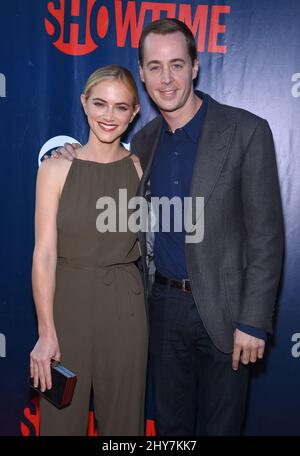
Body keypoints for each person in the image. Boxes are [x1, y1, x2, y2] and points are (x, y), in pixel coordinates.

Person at [56, 19, 284, 436]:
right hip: (159, 310)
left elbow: (266, 236)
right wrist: (70, 154)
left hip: (227, 313)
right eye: (155, 66)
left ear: (195, 66)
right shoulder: (142, 144)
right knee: (169, 433)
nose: (166, 78)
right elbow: (102, 169)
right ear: (141, 73)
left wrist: (253, 321)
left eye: (177, 64)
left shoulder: (246, 131)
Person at [30, 65, 148, 436]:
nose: (108, 117)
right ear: (84, 103)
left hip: (126, 309)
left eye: (120, 107)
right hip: (67, 306)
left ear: (134, 113)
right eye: (100, 104)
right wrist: (46, 331)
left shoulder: (141, 167)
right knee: (59, 422)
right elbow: (44, 254)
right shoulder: (56, 168)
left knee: (124, 426)